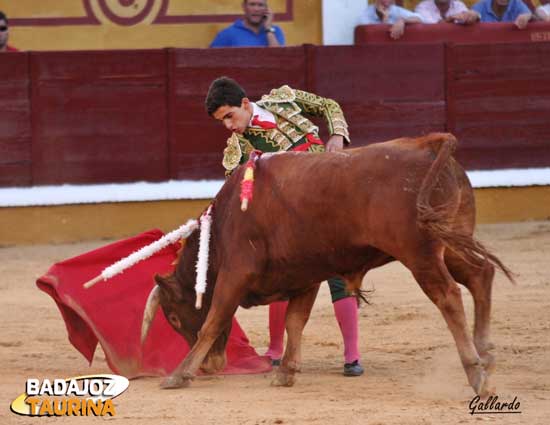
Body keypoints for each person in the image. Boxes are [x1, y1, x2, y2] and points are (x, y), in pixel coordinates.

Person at [204, 76, 364, 377]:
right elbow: (237, 197)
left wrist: (337, 136)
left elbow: (329, 105)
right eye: (221, 121)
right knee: (282, 278)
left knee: (340, 273)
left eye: (229, 116)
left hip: (330, 199)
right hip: (288, 224)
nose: (228, 126)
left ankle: (352, 356)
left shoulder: (283, 99)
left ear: (245, 104)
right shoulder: (235, 151)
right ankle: (275, 351)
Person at [210, 0, 285, 47]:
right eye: (252, 4)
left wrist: (268, 29)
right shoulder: (227, 34)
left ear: (266, 9)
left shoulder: (275, 31)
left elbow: (279, 59)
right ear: (244, 7)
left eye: (260, 5)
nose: (256, 9)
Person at [359, 0, 423, 40]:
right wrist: (385, 20)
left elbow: (420, 18)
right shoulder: (365, 15)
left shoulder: (394, 9)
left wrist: (402, 20)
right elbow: (376, 39)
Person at [415, 0, 480, 24]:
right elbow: (433, 29)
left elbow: (467, 19)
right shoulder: (422, 7)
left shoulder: (458, 4)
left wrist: (474, 15)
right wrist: (450, 19)